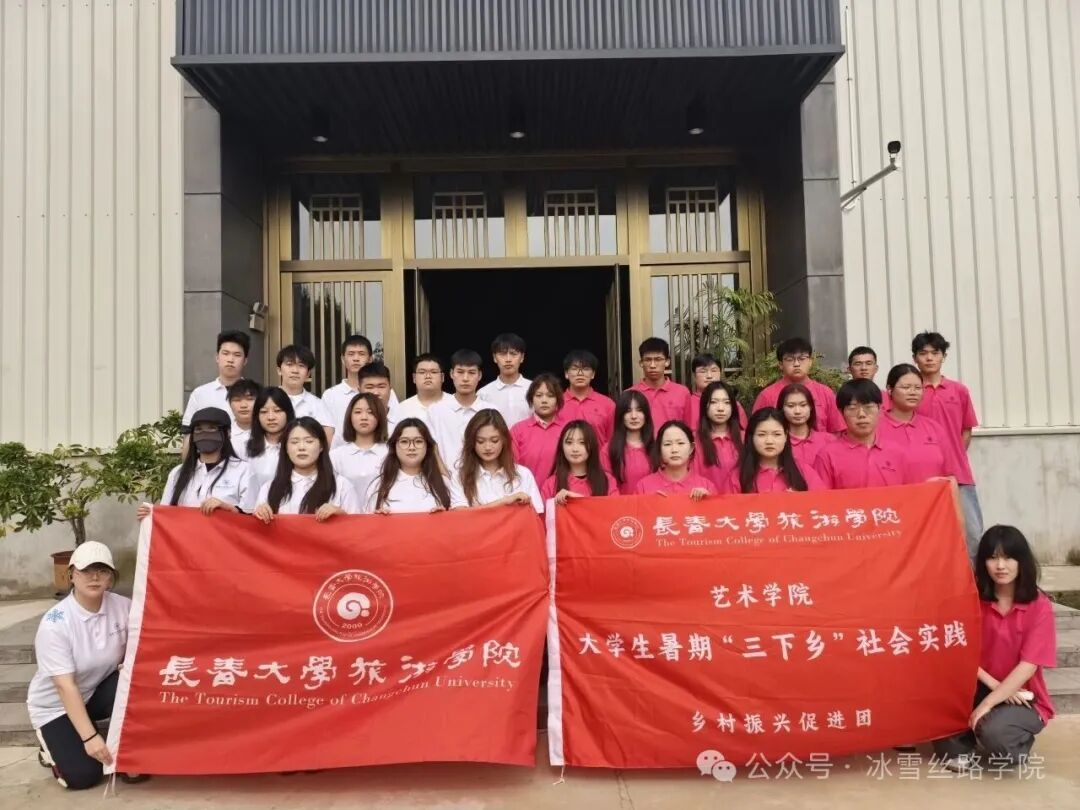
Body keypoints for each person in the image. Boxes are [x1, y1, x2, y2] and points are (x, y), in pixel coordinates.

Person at [933, 526, 1056, 772]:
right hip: (978, 684)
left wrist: (988, 704)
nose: (1000, 566)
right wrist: (994, 687)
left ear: (1022, 561)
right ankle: (965, 743)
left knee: (996, 736)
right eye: (992, 557)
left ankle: (1012, 739)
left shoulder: (1039, 606)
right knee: (942, 707)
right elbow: (959, 651)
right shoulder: (972, 599)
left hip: (1022, 695)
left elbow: (1028, 666)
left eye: (1008, 557)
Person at [28, 542, 134, 790]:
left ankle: (125, 746)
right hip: (56, 705)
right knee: (83, 777)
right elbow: (65, 686)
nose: (94, 577)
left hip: (94, 692)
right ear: (71, 575)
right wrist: (90, 737)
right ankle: (52, 745)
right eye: (86, 570)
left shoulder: (123, 606)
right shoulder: (56, 623)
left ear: (111, 577)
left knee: (132, 679)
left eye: (102, 570)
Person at [911, 331, 983, 562]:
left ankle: (974, 580)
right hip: (921, 476)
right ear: (915, 358)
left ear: (943, 356)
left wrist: (953, 457)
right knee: (927, 536)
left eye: (935, 353)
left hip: (959, 473)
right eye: (923, 353)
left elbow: (966, 429)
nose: (929, 358)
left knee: (972, 534)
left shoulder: (958, 390)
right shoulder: (910, 392)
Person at [137, 407, 250, 519]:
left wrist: (228, 508)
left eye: (212, 428)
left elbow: (252, 519)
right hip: (186, 531)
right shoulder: (178, 473)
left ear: (228, 432)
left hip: (224, 531)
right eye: (198, 429)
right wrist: (151, 515)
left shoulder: (244, 471)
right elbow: (166, 514)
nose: (205, 434)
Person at [813, 380, 914, 489]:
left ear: (880, 409)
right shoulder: (827, 456)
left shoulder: (898, 453)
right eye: (852, 408)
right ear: (841, 412)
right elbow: (820, 497)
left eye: (868, 407)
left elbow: (910, 494)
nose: (861, 414)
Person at [252, 417, 359, 520]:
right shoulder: (269, 488)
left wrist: (341, 515)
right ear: (286, 448)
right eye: (294, 442)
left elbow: (358, 526)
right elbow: (257, 531)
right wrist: (260, 513)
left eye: (309, 441)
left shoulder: (342, 486)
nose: (301, 447)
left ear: (321, 446)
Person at [878, 363, 961, 482]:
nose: (913, 392)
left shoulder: (934, 428)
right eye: (906, 387)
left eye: (918, 388)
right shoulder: (875, 428)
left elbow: (950, 475)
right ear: (890, 390)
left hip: (933, 494)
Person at [451, 410, 543, 513]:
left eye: (494, 440)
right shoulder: (460, 476)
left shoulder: (523, 474)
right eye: (480, 441)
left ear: (504, 440)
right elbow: (460, 515)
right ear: (472, 442)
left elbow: (536, 515)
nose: (488, 447)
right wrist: (504, 501)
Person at [752, 338, 845, 433]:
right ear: (780, 364)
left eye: (802, 358)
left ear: (810, 362)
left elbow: (837, 431)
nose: (796, 364)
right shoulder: (767, 396)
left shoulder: (826, 393)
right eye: (790, 359)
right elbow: (756, 431)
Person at [180, 330, 250, 456]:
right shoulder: (200, 394)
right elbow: (188, 437)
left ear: (245, 361)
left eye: (237, 355)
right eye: (225, 353)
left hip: (247, 462)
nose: (230, 359)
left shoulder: (256, 395)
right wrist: (188, 467)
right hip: (209, 462)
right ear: (217, 357)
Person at [322, 335, 399, 447]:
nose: (356, 358)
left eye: (361, 354)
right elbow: (328, 433)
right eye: (351, 354)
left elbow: (396, 422)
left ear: (370, 359)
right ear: (343, 359)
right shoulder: (331, 395)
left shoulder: (387, 392)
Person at [364, 418, 453, 514]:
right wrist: (379, 518)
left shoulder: (444, 483)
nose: (411, 447)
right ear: (394, 446)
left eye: (418, 441)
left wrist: (444, 516)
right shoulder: (378, 485)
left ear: (427, 446)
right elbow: (367, 521)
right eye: (404, 442)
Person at [426, 349, 495, 472]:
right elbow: (431, 447)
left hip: (484, 478)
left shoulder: (491, 411)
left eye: (471, 372)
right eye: (460, 372)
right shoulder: (436, 411)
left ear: (479, 375)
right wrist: (444, 476)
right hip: (444, 479)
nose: (465, 378)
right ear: (451, 374)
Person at [727, 408, 824, 493]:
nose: (769, 441)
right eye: (762, 434)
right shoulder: (737, 476)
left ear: (786, 436)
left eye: (776, 434)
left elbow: (822, 502)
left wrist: (798, 502)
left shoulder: (803, 472)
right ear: (751, 437)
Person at [329, 392, 389, 505]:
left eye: (370, 412)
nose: (364, 417)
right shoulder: (336, 456)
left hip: (382, 514)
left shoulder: (390, 453)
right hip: (346, 514)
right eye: (358, 412)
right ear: (350, 417)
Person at [633, 420, 715, 499]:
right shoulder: (643, 486)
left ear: (691, 448)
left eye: (680, 443)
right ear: (659, 449)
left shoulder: (706, 486)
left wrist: (708, 501)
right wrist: (648, 502)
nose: (674, 450)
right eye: (667, 444)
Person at [541, 420, 618, 503]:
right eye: (569, 442)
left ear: (592, 446)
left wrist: (576, 499)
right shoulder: (551, 484)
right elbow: (545, 511)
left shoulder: (607, 481)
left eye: (582, 443)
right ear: (561, 447)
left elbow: (615, 509)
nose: (575, 449)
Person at [510, 373, 566, 484]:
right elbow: (511, 467)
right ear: (531, 399)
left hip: (560, 492)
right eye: (539, 395)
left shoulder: (568, 429)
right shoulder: (517, 430)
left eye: (550, 395)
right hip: (525, 491)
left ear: (558, 400)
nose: (544, 400)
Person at [276, 344, 336, 445]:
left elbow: (327, 438)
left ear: (308, 374)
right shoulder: (267, 400)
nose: (295, 371)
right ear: (279, 370)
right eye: (289, 364)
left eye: (301, 366)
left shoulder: (318, 404)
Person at [628, 337, 692, 430]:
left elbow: (688, 429)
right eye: (648, 360)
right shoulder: (630, 394)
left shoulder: (682, 393)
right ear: (641, 363)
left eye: (658, 359)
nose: (653, 365)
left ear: (667, 362)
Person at [603, 391, 656, 495]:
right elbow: (606, 486)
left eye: (639, 410)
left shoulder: (657, 448)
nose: (634, 416)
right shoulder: (608, 450)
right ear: (620, 415)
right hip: (619, 504)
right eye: (628, 411)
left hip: (651, 504)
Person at [693, 380, 743, 492]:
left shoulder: (744, 438)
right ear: (704, 405)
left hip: (742, 501)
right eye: (714, 402)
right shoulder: (694, 441)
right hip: (707, 500)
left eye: (727, 402)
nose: (720, 408)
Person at [244, 387, 296, 494]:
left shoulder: (297, 447)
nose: (271, 417)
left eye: (277, 411)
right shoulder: (246, 447)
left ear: (288, 413)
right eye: (264, 412)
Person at [560, 349, 616, 446]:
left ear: (593, 374)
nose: (580, 373)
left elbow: (613, 441)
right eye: (575, 369)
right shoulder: (556, 403)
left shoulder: (608, 404)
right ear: (566, 374)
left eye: (585, 369)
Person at [779, 382, 836, 471]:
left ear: (811, 407)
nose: (797, 411)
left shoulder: (829, 440)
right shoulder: (778, 443)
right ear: (782, 408)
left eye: (803, 405)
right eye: (791, 406)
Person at [478, 333, 531, 426]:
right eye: (502, 354)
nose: (508, 359)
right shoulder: (483, 394)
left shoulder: (534, 389)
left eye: (513, 354)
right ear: (494, 358)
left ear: (522, 357)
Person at [684, 353, 747, 431]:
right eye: (703, 371)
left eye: (714, 370)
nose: (709, 376)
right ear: (694, 376)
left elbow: (744, 434)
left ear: (720, 373)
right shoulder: (687, 404)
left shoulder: (733, 404)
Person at [388, 353, 450, 429]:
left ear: (442, 377)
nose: (428, 376)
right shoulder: (402, 409)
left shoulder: (455, 404)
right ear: (414, 378)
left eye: (433, 372)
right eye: (422, 372)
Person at [226, 379, 261, 461]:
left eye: (250, 399)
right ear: (230, 404)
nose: (243, 405)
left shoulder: (269, 433)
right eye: (237, 400)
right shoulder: (224, 435)